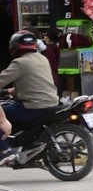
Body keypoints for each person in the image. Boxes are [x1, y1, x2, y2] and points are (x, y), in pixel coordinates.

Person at [0, 31, 59, 165]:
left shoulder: (20, 63)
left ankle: (4, 151)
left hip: (32, 106)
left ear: (14, 46)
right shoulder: (42, 59)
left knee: (3, 114)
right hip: (51, 102)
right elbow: (34, 83)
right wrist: (10, 91)